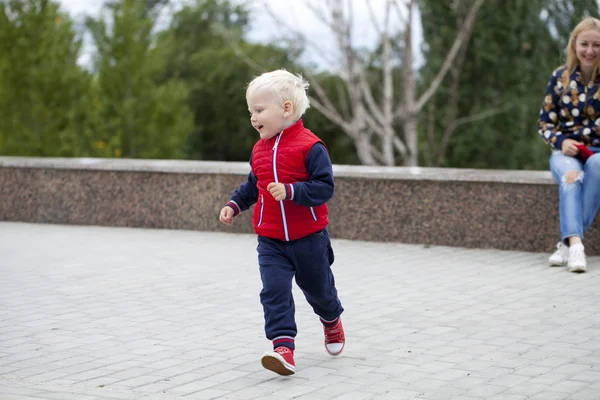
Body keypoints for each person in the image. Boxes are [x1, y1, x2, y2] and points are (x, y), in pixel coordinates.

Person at [219, 69, 345, 375]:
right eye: (251, 112)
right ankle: (283, 348)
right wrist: (235, 204)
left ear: (286, 109)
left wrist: (291, 191)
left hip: (309, 239)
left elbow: (324, 187)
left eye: (259, 110)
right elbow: (254, 185)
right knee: (274, 291)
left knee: (319, 291)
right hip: (271, 240)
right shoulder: (259, 150)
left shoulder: (310, 146)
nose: (253, 118)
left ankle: (331, 321)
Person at [537, 17, 600, 273]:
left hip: (597, 153)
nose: (590, 51)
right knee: (571, 176)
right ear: (575, 45)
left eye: (597, 45)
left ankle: (568, 245)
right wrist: (562, 142)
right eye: (584, 44)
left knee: (598, 164)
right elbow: (544, 124)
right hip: (566, 153)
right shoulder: (559, 78)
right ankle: (576, 246)